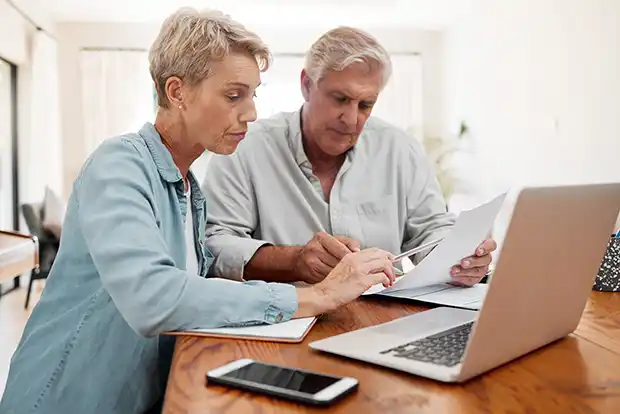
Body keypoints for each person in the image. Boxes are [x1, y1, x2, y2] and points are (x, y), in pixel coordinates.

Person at [0, 10, 396, 414]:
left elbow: (196, 296)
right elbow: (153, 296)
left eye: (253, 94)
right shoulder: (118, 164)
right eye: (233, 95)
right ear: (177, 92)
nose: (251, 113)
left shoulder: (190, 188)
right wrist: (317, 296)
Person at [204, 26, 497, 286]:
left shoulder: (399, 149)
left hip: (383, 320)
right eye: (340, 99)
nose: (351, 119)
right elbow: (213, 245)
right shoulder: (245, 147)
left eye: (366, 104)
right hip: (284, 319)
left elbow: (432, 228)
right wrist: (293, 261)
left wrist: (460, 258)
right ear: (306, 84)